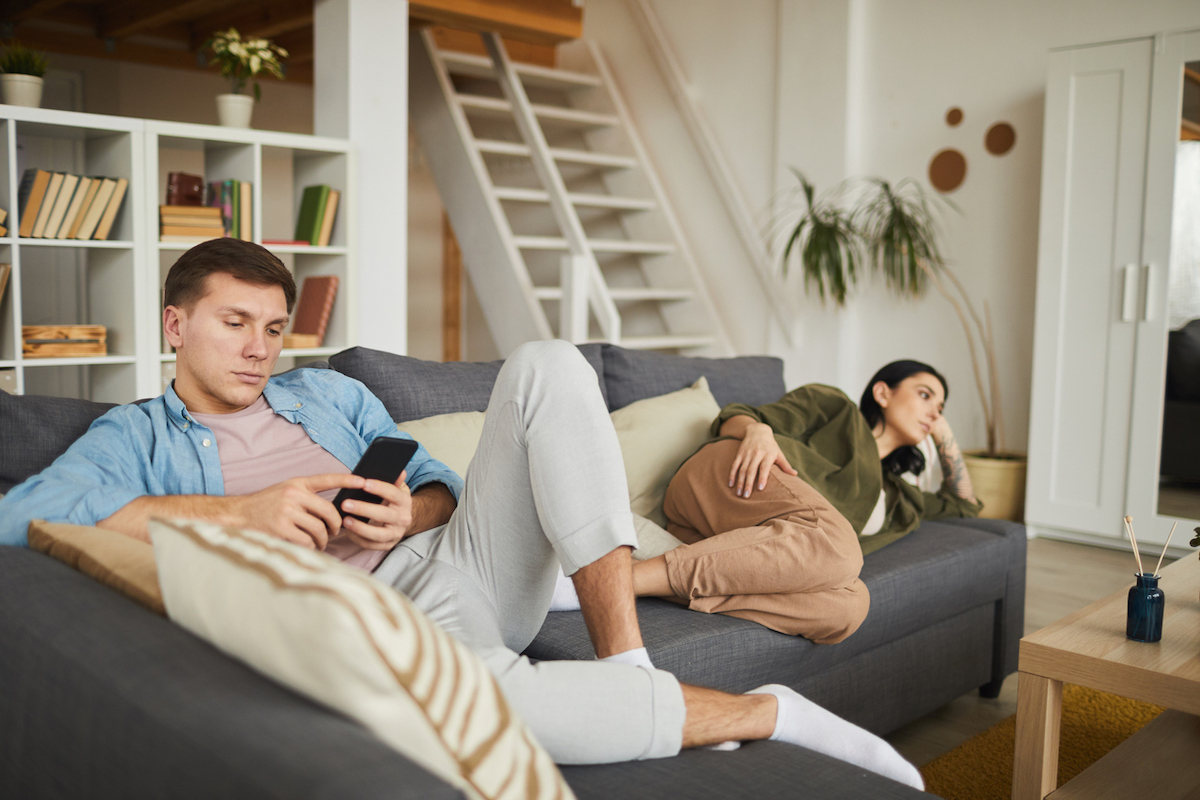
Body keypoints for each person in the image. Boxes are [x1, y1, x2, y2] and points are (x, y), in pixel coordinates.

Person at [0, 239, 923, 789]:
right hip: (361, 620)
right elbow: (21, 521)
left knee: (550, 363)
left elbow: (444, 484)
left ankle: (625, 657)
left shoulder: (325, 395)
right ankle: (767, 714)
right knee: (484, 708)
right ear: (176, 326)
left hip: (449, 561)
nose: (257, 349)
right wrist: (242, 515)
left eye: (273, 328)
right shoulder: (133, 437)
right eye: (234, 323)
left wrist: (408, 510)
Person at [621, 360, 982, 642]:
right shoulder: (837, 408)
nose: (935, 411)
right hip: (729, 479)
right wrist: (757, 431)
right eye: (925, 395)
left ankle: (665, 582)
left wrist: (944, 436)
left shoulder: (901, 499)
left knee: (850, 606)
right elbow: (734, 417)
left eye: (941, 406)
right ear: (883, 393)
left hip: (732, 546)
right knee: (841, 545)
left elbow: (964, 505)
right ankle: (619, 582)